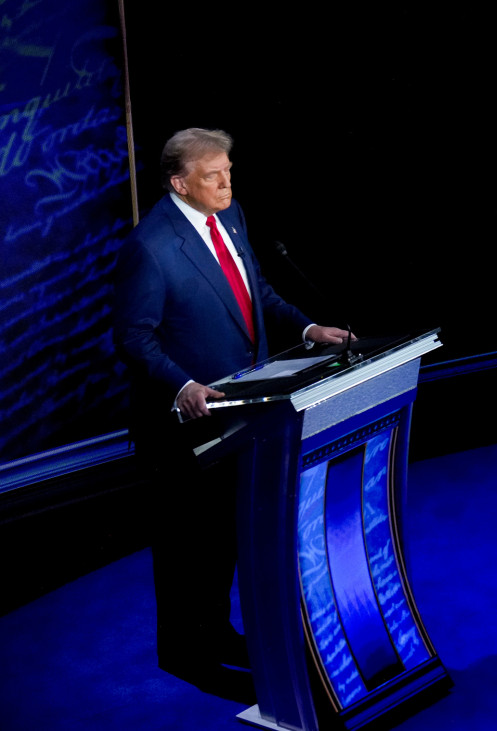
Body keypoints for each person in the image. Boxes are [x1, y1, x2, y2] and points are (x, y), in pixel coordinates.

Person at [113, 128, 352, 692]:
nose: (227, 182)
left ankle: (217, 632)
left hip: (248, 414)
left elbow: (257, 294)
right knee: (186, 545)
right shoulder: (150, 247)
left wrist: (308, 327)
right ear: (180, 183)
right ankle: (184, 655)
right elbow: (134, 338)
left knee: (225, 536)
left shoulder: (232, 214)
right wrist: (184, 385)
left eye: (228, 171)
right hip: (186, 428)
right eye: (213, 174)